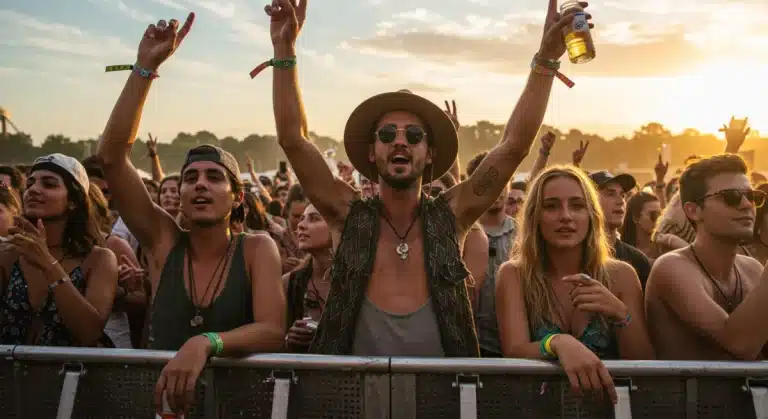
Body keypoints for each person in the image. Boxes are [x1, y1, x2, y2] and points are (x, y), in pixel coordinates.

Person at [266, 0, 587, 356]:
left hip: (444, 395)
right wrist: (284, 49)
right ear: (372, 152)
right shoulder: (346, 214)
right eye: (387, 135)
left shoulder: (453, 215)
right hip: (351, 398)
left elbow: (513, 147)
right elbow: (293, 140)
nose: (400, 141)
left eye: (414, 136)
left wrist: (545, 60)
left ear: (430, 153)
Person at [97, 13, 284, 414]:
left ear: (237, 197)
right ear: (178, 193)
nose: (200, 184)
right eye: (190, 177)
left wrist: (206, 342)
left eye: (215, 177)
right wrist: (145, 67)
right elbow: (111, 159)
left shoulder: (256, 248)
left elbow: (272, 330)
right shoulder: (163, 241)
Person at [496, 166, 653, 403]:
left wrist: (620, 314)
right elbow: (514, 350)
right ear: (534, 216)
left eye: (577, 206)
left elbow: (645, 364)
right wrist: (558, 342)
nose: (566, 216)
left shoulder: (622, 275)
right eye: (551, 206)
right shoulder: (514, 274)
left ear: (592, 215)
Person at [646, 154, 768, 360]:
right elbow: (738, 343)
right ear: (693, 211)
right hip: (690, 393)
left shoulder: (753, 270)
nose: (747, 205)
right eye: (732, 197)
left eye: (752, 197)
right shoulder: (672, 267)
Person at [0, 154, 118, 346]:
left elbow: (89, 333)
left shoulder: (99, 259)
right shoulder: (8, 254)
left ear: (73, 201)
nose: (34, 190)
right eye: (30, 183)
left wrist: (47, 263)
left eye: (49, 184)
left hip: (71, 374)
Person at [466, 151, 517, 357]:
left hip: (513, 350)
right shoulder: (460, 235)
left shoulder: (525, 237)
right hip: (470, 349)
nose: (496, 189)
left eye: (502, 181)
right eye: (488, 181)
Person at [589, 171, 652, 288]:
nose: (620, 201)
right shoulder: (575, 257)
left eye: (623, 195)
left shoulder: (638, 261)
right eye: (610, 194)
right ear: (589, 201)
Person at [283, 204, 333, 352]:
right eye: (302, 219)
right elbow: (271, 342)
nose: (301, 225)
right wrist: (288, 340)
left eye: (314, 219)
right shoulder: (289, 283)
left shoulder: (359, 281)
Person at [620, 192, 662, 261]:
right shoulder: (622, 252)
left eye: (660, 215)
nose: (658, 219)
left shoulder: (663, 248)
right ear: (636, 218)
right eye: (654, 215)